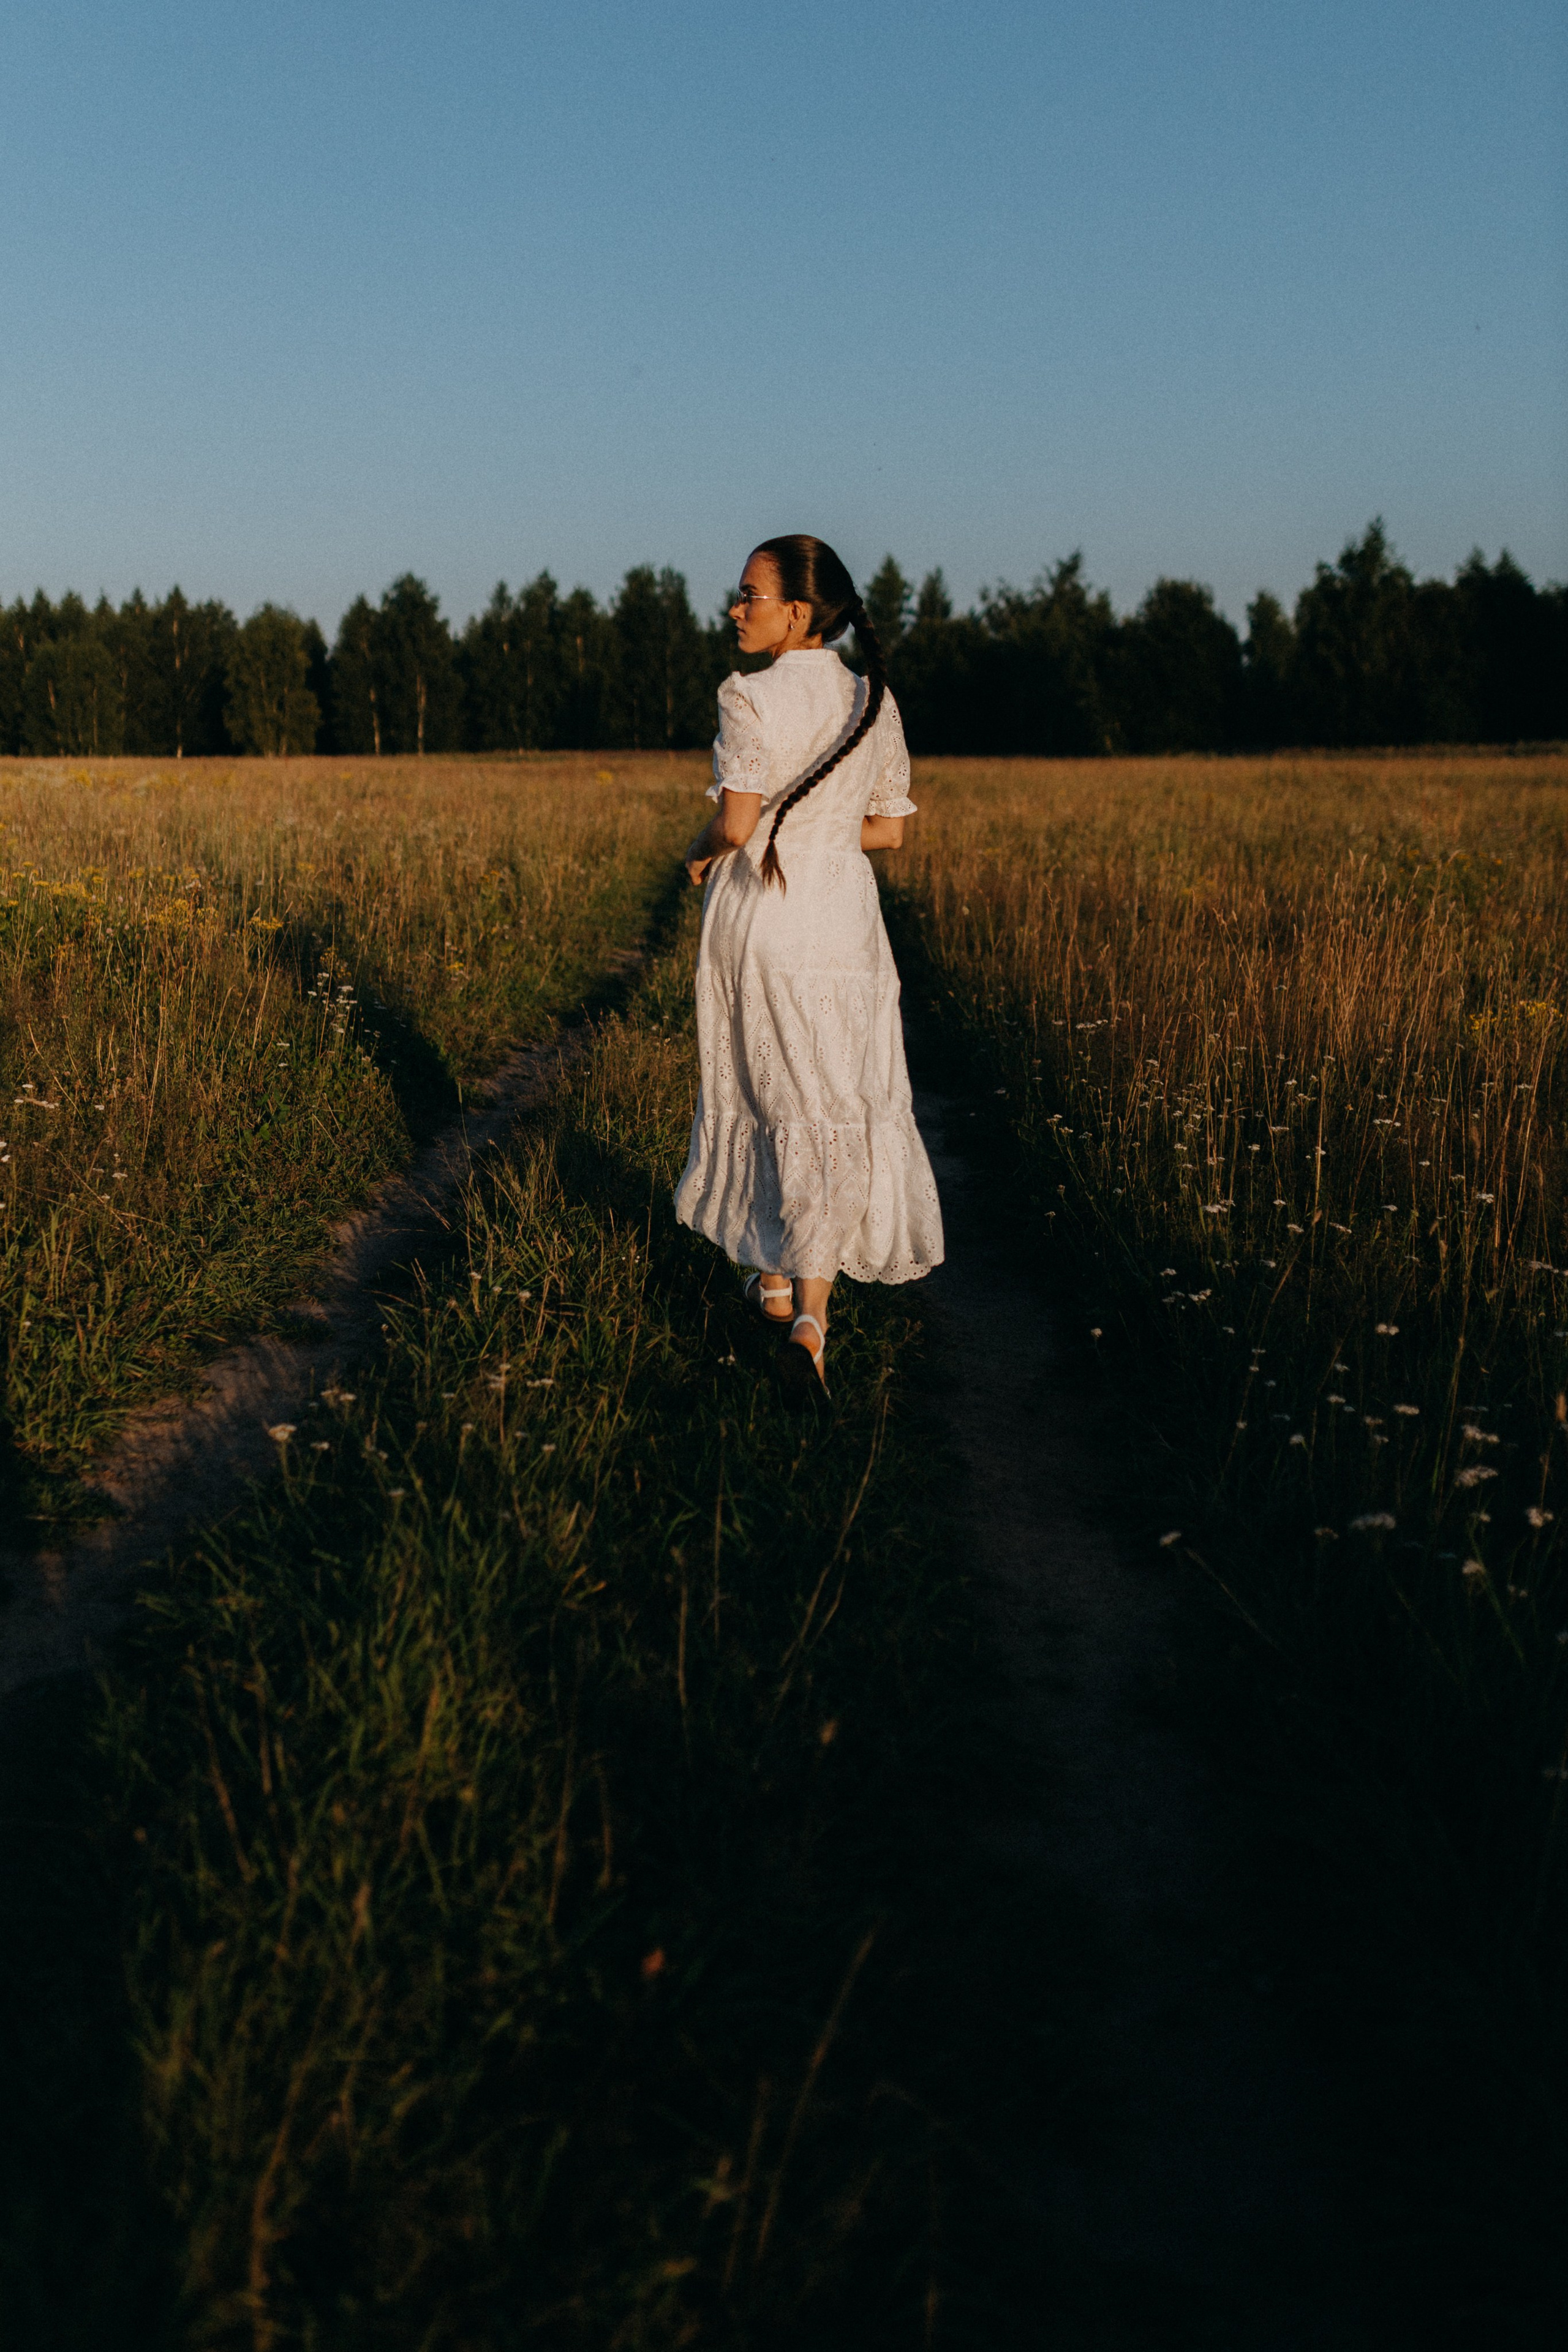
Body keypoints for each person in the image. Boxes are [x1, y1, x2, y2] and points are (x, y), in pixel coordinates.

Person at [674, 534, 944, 1398]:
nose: (735, 608)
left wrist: (698, 847)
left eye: (749, 594)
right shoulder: (873, 699)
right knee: (834, 1100)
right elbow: (892, 830)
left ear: (798, 611)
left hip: (767, 922)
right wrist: (824, 832)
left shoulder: (746, 696)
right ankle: (809, 1320)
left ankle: (774, 1276)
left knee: (765, 1094)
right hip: (847, 926)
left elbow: (739, 825)